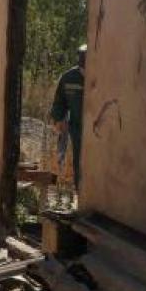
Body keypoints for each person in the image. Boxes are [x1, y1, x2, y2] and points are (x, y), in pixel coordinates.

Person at [49, 44, 86, 189]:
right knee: (79, 162)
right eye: (83, 69)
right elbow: (60, 102)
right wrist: (58, 119)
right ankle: (80, 193)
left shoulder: (105, 76)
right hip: (77, 129)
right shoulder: (68, 78)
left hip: (101, 131)